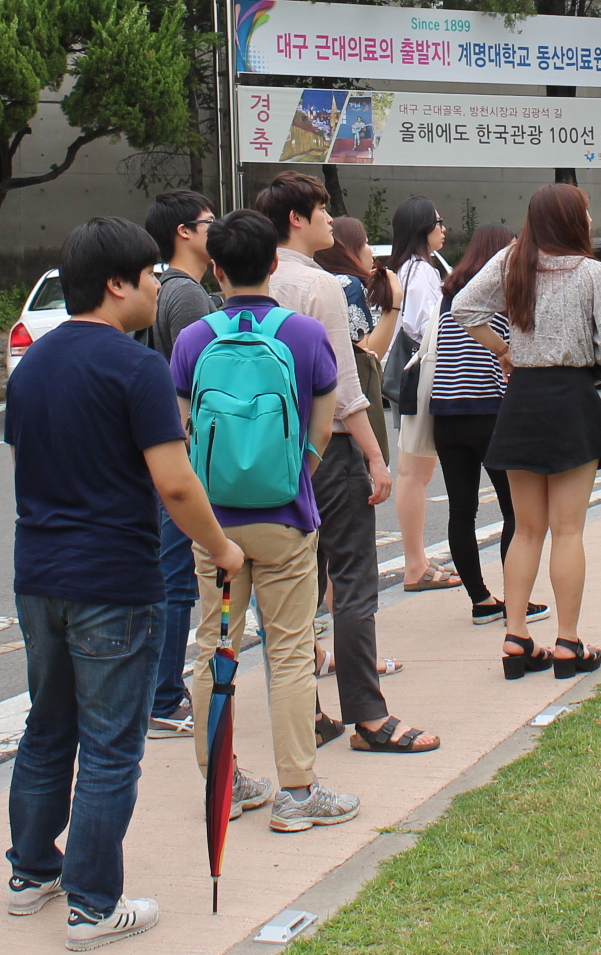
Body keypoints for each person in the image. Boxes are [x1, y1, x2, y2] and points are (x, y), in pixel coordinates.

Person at [4, 217, 246, 949]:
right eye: (148, 278)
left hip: (38, 573)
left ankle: (30, 871)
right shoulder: (137, 368)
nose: (155, 289)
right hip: (112, 578)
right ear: (116, 285)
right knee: (112, 746)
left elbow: (24, 467)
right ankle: (93, 905)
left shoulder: (33, 365)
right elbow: (175, 482)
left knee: (48, 726)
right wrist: (222, 547)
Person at [172, 210, 373, 818]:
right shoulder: (304, 335)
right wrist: (295, 475)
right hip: (285, 517)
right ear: (274, 262)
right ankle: (298, 793)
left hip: (216, 526)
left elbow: (185, 431)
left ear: (216, 268)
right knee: (288, 652)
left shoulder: (193, 339)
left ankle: (222, 785)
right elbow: (323, 427)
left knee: (214, 648)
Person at [255, 173, 435, 755]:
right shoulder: (321, 285)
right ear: (297, 220)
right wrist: (376, 456)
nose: (331, 220)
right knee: (353, 579)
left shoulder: (254, 282)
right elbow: (343, 386)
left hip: (267, 453)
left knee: (289, 589)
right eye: (322, 209)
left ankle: (306, 713)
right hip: (328, 449)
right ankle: (369, 717)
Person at [451, 183, 601, 681]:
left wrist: (503, 350)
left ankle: (516, 638)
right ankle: (568, 643)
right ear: (571, 220)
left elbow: (463, 308)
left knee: (526, 529)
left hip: (521, 399)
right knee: (568, 530)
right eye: (585, 213)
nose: (589, 220)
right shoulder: (595, 273)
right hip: (572, 398)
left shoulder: (513, 262)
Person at [428, 224, 540, 626]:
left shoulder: (451, 295)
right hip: (490, 412)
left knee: (462, 511)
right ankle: (516, 602)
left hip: (446, 415)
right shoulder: (504, 294)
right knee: (516, 512)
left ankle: (481, 600)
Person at [139, 189, 219, 741]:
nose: (218, 229)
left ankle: (163, 691)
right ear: (184, 233)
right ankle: (165, 696)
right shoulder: (187, 295)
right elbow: (202, 382)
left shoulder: (164, 289)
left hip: (170, 446)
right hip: (187, 451)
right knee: (177, 574)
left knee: (173, 570)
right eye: (209, 222)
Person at [377, 199, 462, 593]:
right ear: (421, 228)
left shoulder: (408, 268)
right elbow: (425, 325)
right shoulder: (421, 270)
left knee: (415, 471)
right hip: (421, 377)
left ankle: (419, 560)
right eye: (438, 222)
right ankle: (415, 565)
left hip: (410, 377)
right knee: (414, 472)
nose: (443, 228)